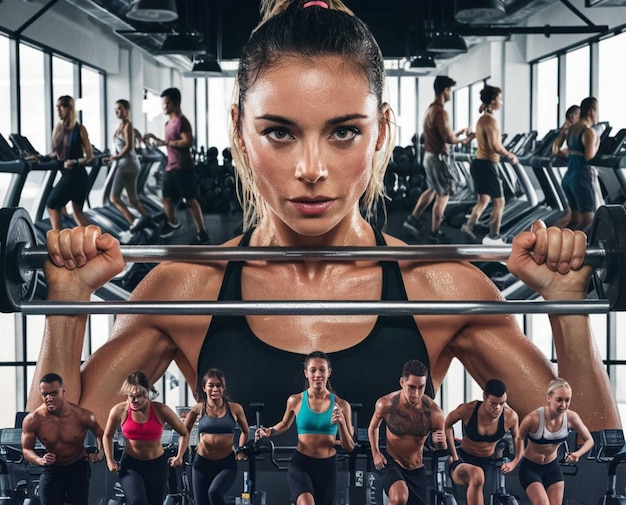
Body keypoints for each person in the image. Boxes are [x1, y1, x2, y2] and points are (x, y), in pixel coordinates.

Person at [30, 0, 620, 480]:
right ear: (239, 129)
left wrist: (569, 310)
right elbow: (60, 449)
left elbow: (591, 465)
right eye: (280, 133)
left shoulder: (444, 286)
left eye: (343, 132)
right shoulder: (183, 287)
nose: (311, 168)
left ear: (382, 129)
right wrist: (65, 307)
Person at [255, 351, 354, 505]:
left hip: (327, 467)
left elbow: (350, 446)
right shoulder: (295, 400)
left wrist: (341, 423)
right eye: (313, 370)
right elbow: (284, 425)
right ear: (306, 373)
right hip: (301, 464)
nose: (318, 374)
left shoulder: (341, 405)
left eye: (322, 369)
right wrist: (269, 431)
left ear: (329, 373)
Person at [103, 370, 189, 505]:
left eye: (140, 395)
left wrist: (179, 456)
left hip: (157, 466)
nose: (134, 399)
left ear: (149, 393)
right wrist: (110, 460)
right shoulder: (119, 411)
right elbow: (106, 435)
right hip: (131, 466)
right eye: (131, 395)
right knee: (137, 503)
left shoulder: (160, 410)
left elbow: (184, 432)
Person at [367, 359, 446, 505]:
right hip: (391, 461)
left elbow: (438, 447)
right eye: (412, 387)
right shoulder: (386, 404)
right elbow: (373, 427)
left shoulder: (434, 412)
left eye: (421, 387)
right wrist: (375, 453)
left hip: (416, 466)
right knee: (400, 497)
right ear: (402, 382)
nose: (416, 392)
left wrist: (439, 442)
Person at [21, 373, 104, 505]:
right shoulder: (33, 419)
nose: (49, 398)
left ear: (63, 391)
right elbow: (26, 449)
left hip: (77, 467)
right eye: (45, 394)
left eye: (53, 393)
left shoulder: (82, 415)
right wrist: (39, 460)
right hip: (52, 469)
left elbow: (101, 434)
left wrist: (100, 454)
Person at [509, 378, 594, 505]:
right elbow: (519, 436)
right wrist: (516, 459)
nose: (563, 405)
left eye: (567, 400)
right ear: (549, 398)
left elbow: (589, 440)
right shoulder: (533, 418)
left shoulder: (571, 417)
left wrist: (577, 454)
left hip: (552, 467)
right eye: (559, 400)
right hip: (530, 468)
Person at [177, 368, 250, 505]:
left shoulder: (234, 408)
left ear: (223, 388)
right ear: (204, 388)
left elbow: (245, 431)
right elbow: (184, 432)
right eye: (211, 385)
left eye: (219, 385)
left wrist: (241, 450)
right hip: (201, 464)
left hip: (226, 463)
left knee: (214, 493)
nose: (215, 389)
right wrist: (181, 456)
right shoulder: (198, 410)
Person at [445, 379, 521, 505]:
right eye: (493, 403)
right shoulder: (468, 410)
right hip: (461, 462)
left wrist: (513, 462)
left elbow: (518, 439)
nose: (497, 408)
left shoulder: (511, 417)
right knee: (476, 475)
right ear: (484, 398)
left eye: (501, 403)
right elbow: (447, 424)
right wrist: (453, 453)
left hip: (485, 465)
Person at [402, 75, 473, 243]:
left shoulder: (430, 109)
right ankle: (434, 234)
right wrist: (466, 139)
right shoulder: (441, 111)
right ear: (445, 90)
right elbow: (448, 139)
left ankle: (412, 219)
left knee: (433, 189)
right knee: (443, 194)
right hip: (438, 158)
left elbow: (442, 135)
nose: (450, 94)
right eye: (450, 91)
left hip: (430, 156)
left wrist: (458, 132)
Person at [143, 87, 209, 244]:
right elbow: (170, 143)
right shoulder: (168, 123)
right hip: (171, 167)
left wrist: (164, 142)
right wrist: (156, 139)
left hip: (184, 167)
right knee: (166, 198)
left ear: (176, 103)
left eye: (166, 103)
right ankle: (174, 224)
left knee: (190, 200)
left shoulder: (181, 122)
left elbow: (187, 142)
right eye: (163, 104)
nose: (164, 107)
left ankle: (202, 232)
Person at [461, 85, 518, 245]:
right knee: (499, 202)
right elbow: (495, 145)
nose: (501, 102)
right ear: (493, 101)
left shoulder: (482, 118)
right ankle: (494, 237)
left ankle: (469, 225)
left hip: (479, 163)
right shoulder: (491, 120)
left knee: (483, 200)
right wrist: (509, 155)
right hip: (487, 165)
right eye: (500, 99)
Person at [26, 95, 93, 230]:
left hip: (77, 176)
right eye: (56, 107)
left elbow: (89, 156)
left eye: (60, 107)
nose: (58, 111)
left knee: (52, 204)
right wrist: (40, 158)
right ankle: (94, 243)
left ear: (69, 108)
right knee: (76, 213)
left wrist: (75, 161)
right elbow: (55, 153)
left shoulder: (80, 129)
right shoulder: (58, 128)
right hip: (67, 175)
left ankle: (58, 240)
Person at [554, 97, 601, 232]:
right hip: (581, 177)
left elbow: (557, 149)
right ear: (592, 112)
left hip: (569, 177)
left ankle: (550, 241)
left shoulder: (572, 129)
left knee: (573, 220)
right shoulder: (588, 131)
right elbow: (589, 157)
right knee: (587, 221)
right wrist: (597, 142)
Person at [108, 99, 153, 239]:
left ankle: (134, 223)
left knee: (114, 197)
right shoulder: (121, 126)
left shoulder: (128, 125)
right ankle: (147, 219)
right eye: (116, 109)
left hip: (126, 164)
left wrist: (116, 157)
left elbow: (128, 146)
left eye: (120, 109)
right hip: (128, 164)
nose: (117, 112)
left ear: (127, 110)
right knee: (133, 199)